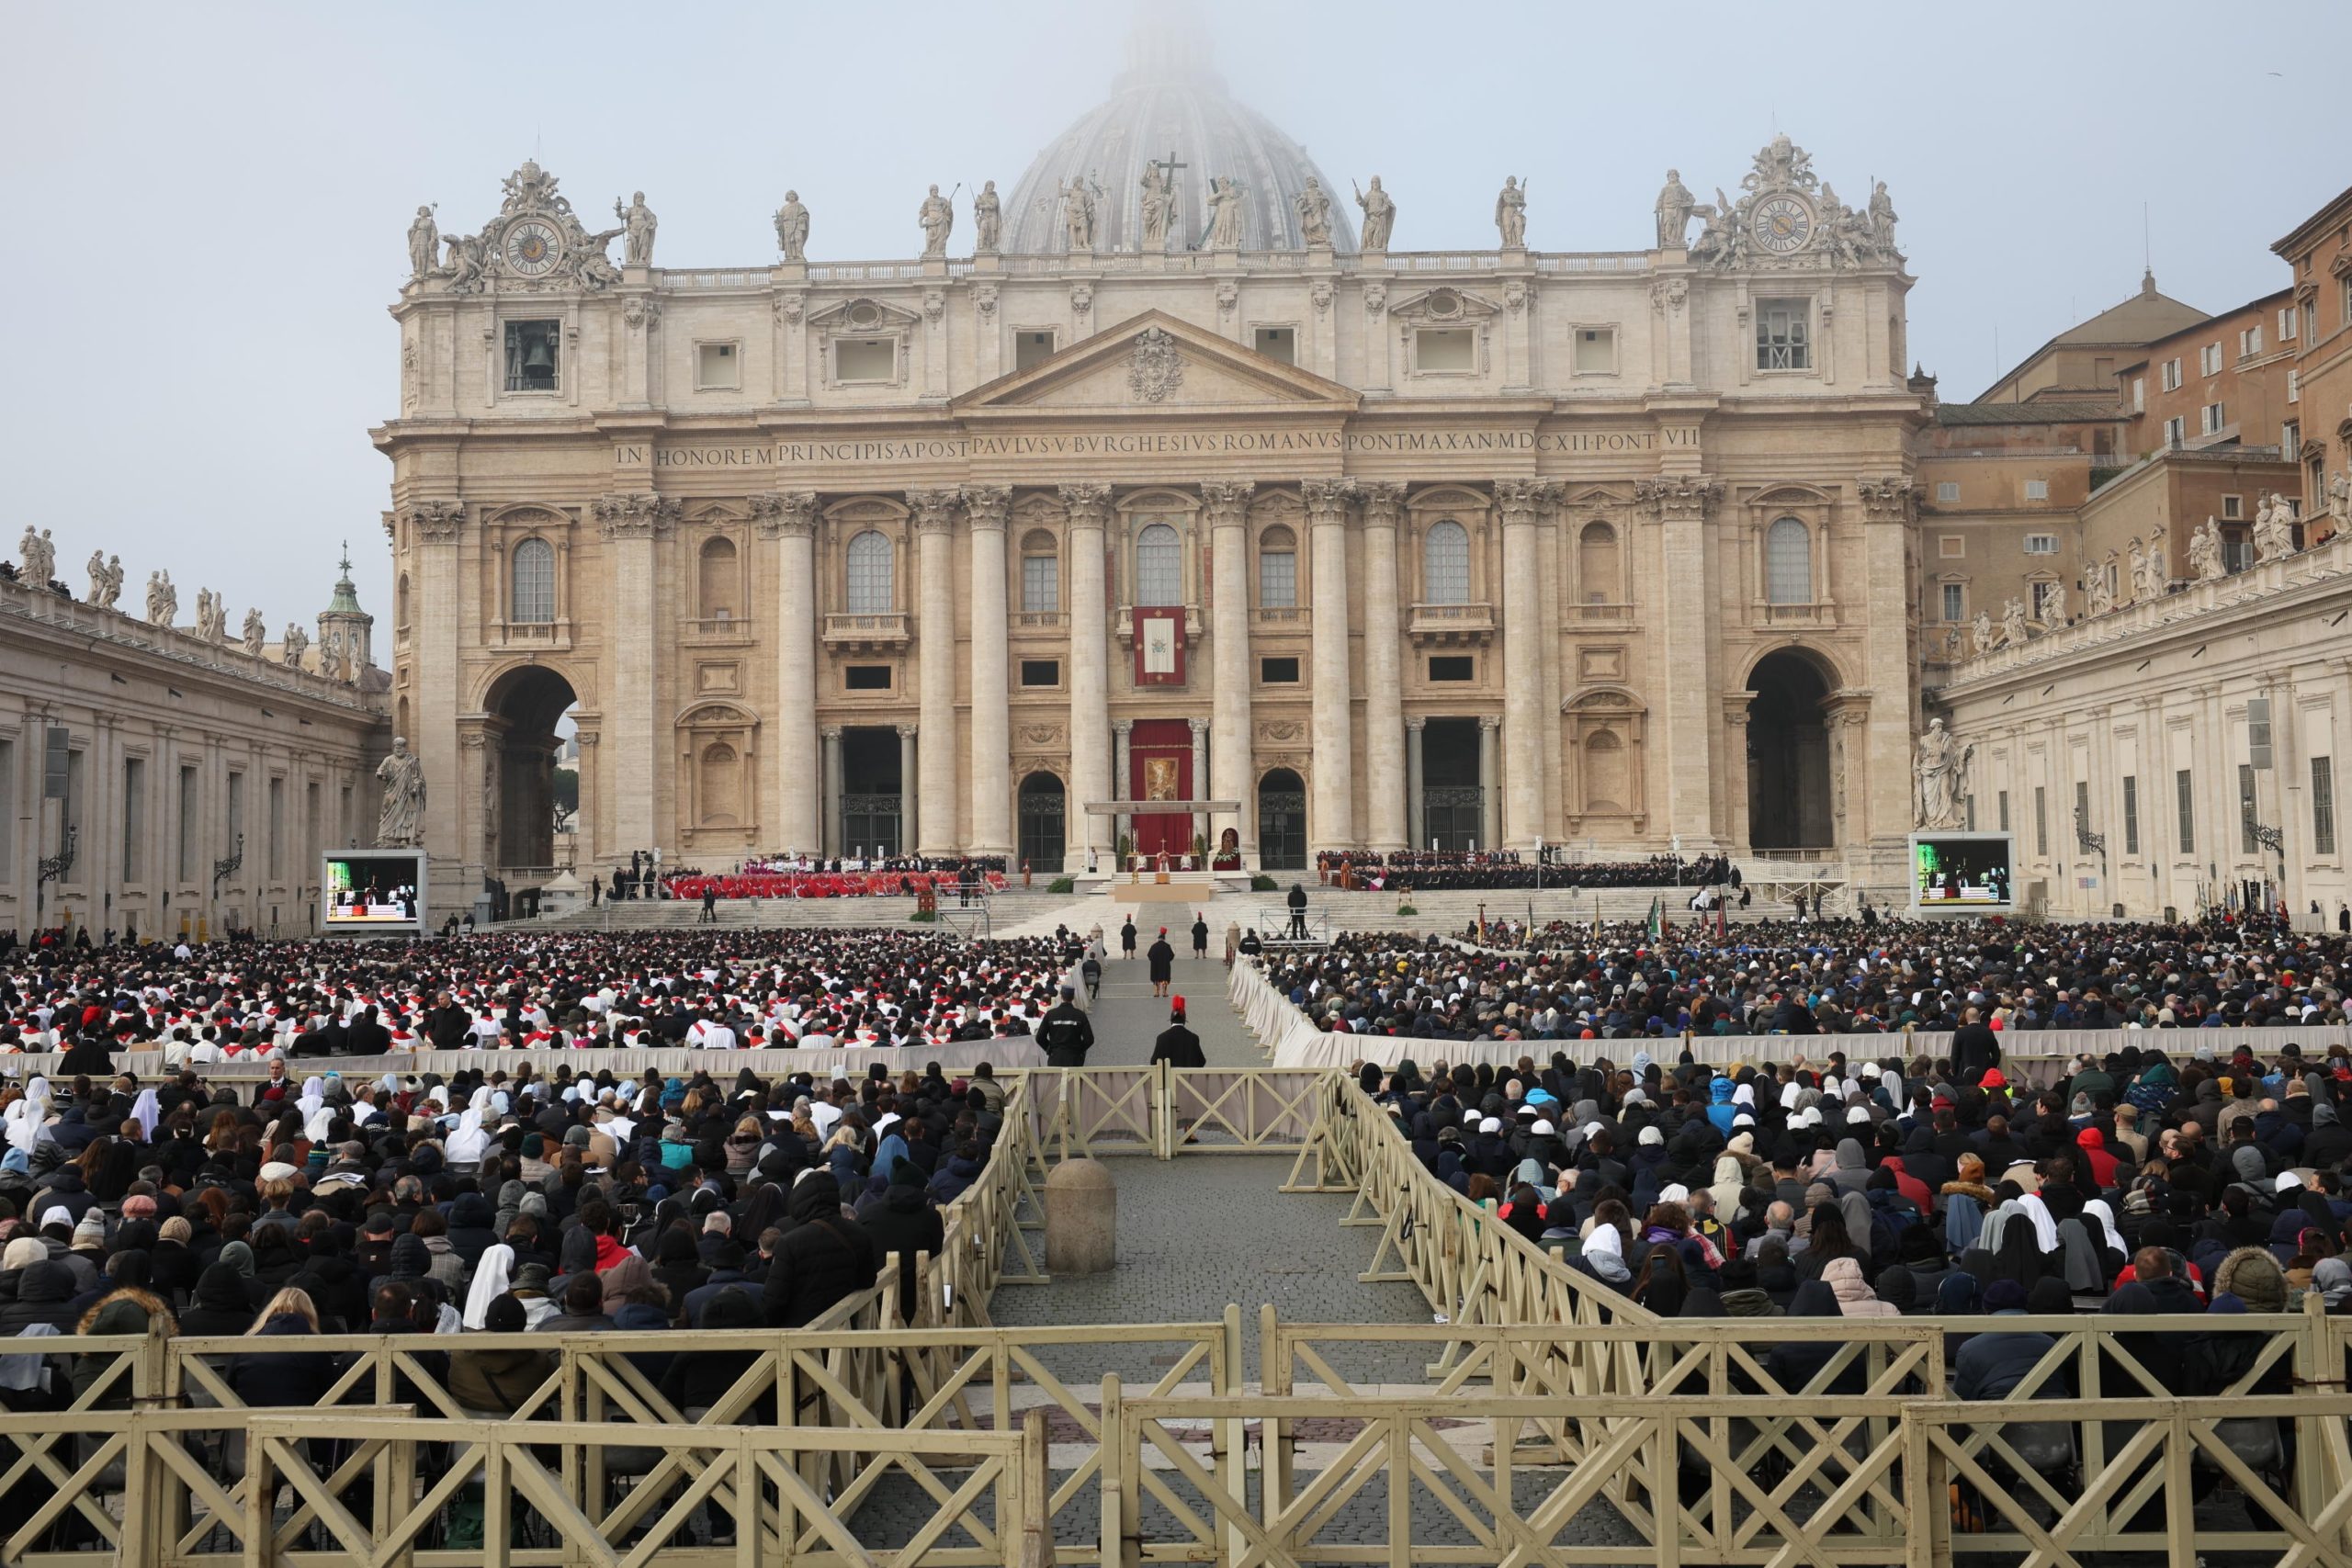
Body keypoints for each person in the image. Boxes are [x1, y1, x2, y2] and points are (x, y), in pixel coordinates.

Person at [1035, 986, 1095, 1067]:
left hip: (1055, 1057)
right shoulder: (1080, 1015)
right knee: (1074, 1080)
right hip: (1074, 1057)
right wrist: (1079, 1050)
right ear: (1073, 997)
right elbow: (1089, 1039)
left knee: (1056, 1080)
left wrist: (1049, 1049)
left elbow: (1039, 1037)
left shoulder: (1051, 1014)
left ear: (1061, 996)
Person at [1150, 998, 1204, 1069]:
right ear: (1184, 1021)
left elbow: (1153, 1062)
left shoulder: (1161, 1038)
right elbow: (1201, 1062)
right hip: (1188, 1079)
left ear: (1171, 1020)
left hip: (1168, 1080)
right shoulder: (1193, 1038)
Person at [1147, 929, 1176, 998]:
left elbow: (1149, 955)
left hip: (1155, 965)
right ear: (1164, 939)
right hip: (1164, 965)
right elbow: (1172, 956)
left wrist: (1153, 961)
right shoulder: (1167, 946)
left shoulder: (1153, 946)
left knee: (1156, 979)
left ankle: (1157, 992)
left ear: (1158, 938)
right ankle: (1164, 992)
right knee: (1165, 978)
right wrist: (1167, 960)